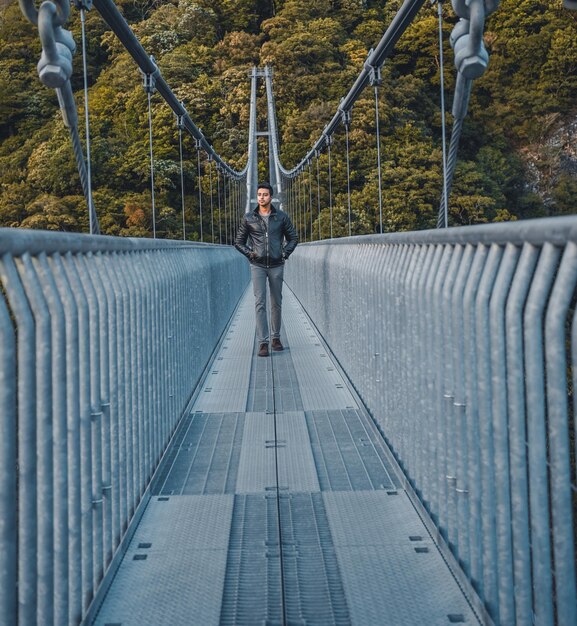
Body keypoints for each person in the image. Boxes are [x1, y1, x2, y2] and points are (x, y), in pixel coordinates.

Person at [234, 182, 298, 357]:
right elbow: (238, 242)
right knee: (260, 303)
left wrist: (285, 253)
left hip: (277, 265)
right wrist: (250, 254)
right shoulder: (249, 218)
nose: (262, 197)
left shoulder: (281, 217)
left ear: (271, 197)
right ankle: (263, 343)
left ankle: (276, 338)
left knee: (276, 303)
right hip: (258, 265)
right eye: (259, 194)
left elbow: (293, 238)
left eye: (265, 195)